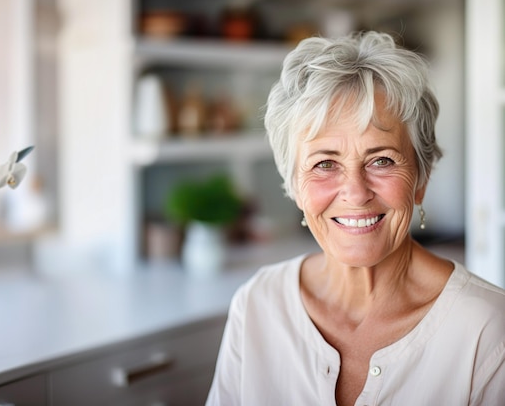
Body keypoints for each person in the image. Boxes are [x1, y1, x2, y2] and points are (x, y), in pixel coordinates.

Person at [206, 31, 505, 406]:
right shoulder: (257, 305)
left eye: (381, 160)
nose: (356, 192)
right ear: (295, 185)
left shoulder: (489, 332)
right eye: (325, 163)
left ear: (421, 179)